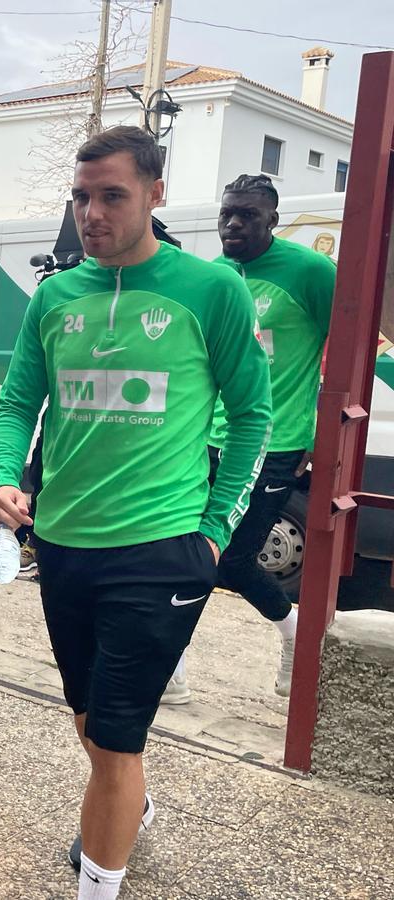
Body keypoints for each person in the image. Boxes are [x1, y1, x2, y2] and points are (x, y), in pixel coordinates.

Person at [0, 127, 271, 900]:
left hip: (160, 552)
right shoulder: (55, 297)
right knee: (89, 722)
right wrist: (5, 478)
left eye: (112, 195)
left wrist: (213, 533)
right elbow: (17, 404)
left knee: (114, 741)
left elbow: (253, 416)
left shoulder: (212, 290)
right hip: (63, 546)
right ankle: (126, 802)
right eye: (82, 197)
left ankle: (103, 863)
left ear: (155, 193)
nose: (92, 213)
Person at [165, 174, 336, 703]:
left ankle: (294, 635)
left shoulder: (311, 272)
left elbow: (349, 347)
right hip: (210, 439)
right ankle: (170, 669)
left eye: (248, 216)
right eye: (227, 214)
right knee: (185, 549)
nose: (233, 224)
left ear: (273, 221)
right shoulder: (217, 276)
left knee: (234, 561)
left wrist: (321, 430)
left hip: (276, 444)